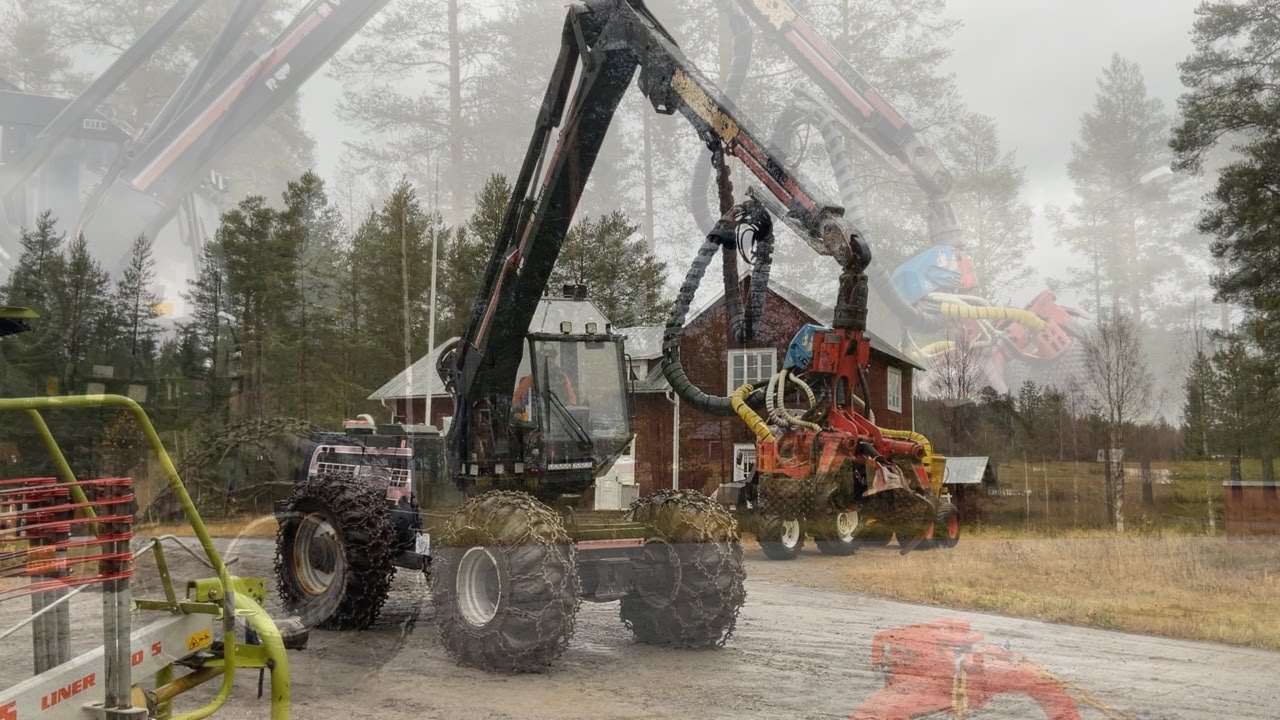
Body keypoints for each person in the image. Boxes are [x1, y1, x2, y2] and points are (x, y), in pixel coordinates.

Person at [513, 345, 577, 420]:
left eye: (551, 357)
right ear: (540, 360)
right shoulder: (531, 379)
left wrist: (569, 408)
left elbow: (572, 399)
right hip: (537, 419)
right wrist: (517, 412)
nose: (549, 360)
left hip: (560, 418)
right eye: (546, 358)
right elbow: (518, 397)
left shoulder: (562, 377)